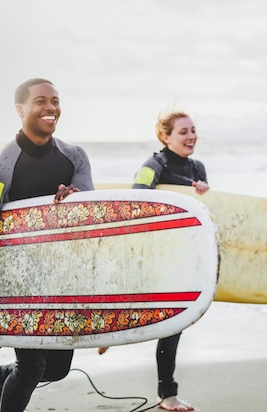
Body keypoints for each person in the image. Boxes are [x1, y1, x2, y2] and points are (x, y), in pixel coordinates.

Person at [0, 78, 94, 412]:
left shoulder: (75, 157)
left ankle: (0, 375)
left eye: (55, 100)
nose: (50, 108)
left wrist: (78, 202)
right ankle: (12, 377)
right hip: (17, 282)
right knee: (33, 365)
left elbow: (92, 220)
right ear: (20, 109)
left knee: (57, 369)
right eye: (40, 101)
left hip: (62, 280)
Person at [99, 111, 207, 411]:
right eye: (183, 132)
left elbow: (204, 214)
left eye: (193, 130)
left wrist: (202, 192)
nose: (191, 136)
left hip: (181, 257)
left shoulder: (198, 167)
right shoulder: (154, 165)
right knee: (141, 307)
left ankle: (167, 394)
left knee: (173, 325)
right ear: (165, 136)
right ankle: (112, 331)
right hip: (153, 254)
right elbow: (137, 198)